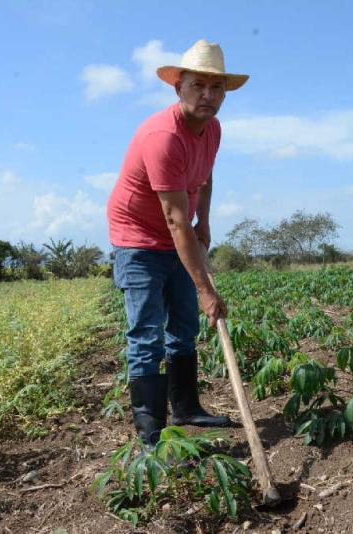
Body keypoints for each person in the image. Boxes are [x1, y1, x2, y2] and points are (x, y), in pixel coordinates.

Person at [107, 39, 249, 446]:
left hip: (179, 233)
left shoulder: (212, 129)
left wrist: (204, 218)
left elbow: (204, 177)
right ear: (178, 87)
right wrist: (207, 288)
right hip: (138, 239)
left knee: (184, 326)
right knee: (146, 333)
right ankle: (151, 436)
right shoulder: (162, 136)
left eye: (216, 87)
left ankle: (187, 408)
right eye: (198, 85)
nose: (208, 95)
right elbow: (173, 218)